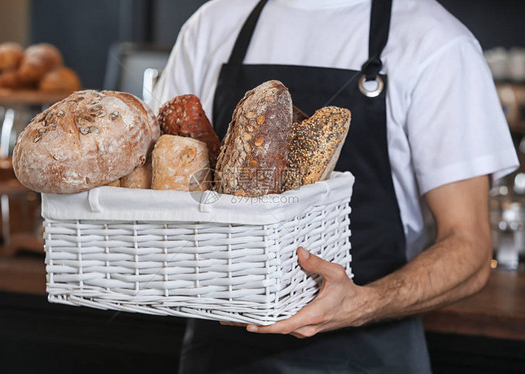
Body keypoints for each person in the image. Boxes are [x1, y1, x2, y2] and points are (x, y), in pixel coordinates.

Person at [152, 0, 519, 372]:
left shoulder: (434, 40)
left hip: (366, 354)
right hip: (218, 349)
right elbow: (161, 178)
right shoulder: (214, 22)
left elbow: (470, 248)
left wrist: (363, 304)